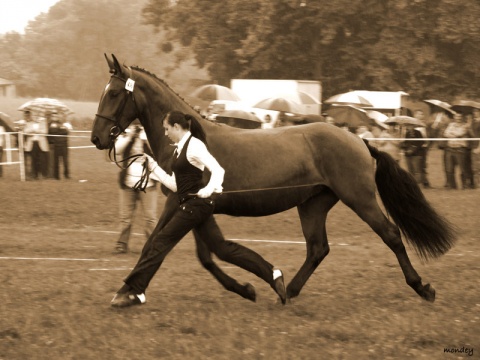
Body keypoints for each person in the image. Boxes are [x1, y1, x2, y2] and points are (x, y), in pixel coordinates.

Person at [110, 111, 286, 307]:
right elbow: (175, 185)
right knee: (222, 249)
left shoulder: (195, 146)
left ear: (177, 127)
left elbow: (218, 170)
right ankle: (272, 273)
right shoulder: (180, 149)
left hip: (195, 206)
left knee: (160, 241)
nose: (166, 133)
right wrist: (153, 167)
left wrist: (209, 189)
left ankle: (137, 293)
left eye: (167, 129)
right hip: (195, 206)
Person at [114, 124, 159, 254]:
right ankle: (122, 244)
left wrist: (146, 138)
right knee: (125, 216)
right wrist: (130, 136)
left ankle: (153, 245)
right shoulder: (126, 133)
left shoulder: (150, 134)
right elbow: (117, 150)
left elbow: (157, 151)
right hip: (128, 182)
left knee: (150, 217)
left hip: (148, 183)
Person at [443, 113, 469, 189]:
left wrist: (452, 133)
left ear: (462, 117)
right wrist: (454, 134)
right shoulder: (451, 125)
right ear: (454, 117)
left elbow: (460, 133)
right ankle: (452, 186)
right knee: (449, 169)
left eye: (460, 116)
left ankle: (464, 185)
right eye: (457, 116)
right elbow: (446, 133)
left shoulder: (464, 125)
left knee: (462, 169)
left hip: (460, 149)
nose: (458, 118)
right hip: (450, 149)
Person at [23, 111, 49, 179]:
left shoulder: (43, 122)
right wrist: (32, 130)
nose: (35, 117)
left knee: (42, 159)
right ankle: (34, 174)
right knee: (33, 159)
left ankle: (43, 174)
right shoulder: (28, 123)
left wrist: (38, 131)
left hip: (41, 143)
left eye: (36, 115)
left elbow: (45, 132)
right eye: (33, 115)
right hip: (32, 143)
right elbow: (25, 131)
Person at [47, 112, 70, 180]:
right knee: (56, 162)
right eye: (53, 116)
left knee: (65, 161)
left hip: (64, 145)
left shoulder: (62, 123)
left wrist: (58, 129)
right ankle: (56, 176)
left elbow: (66, 132)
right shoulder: (49, 124)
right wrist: (60, 129)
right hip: (55, 145)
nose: (55, 117)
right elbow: (50, 132)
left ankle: (66, 175)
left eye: (56, 115)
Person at [413, 110, 431, 188]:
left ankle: (425, 182)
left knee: (423, 165)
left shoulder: (424, 125)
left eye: (422, 114)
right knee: (416, 166)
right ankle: (418, 182)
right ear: (415, 115)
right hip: (416, 148)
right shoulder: (413, 125)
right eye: (419, 114)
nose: (421, 115)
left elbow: (427, 136)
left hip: (423, 148)